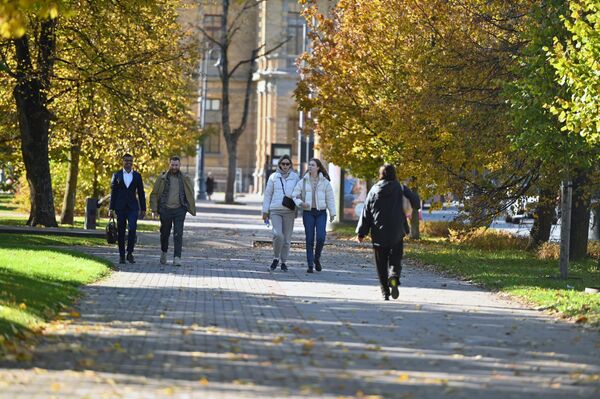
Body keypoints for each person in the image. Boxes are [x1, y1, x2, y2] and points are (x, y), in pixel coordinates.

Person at [356, 164, 420, 300]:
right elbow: (416, 203)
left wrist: (362, 232)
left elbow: (366, 212)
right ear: (394, 174)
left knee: (381, 263)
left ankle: (385, 292)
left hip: (378, 232)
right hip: (397, 231)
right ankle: (394, 275)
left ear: (381, 175)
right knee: (395, 258)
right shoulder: (400, 188)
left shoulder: (374, 190)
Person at [149, 156, 196, 266]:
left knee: (178, 234)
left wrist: (188, 206)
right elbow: (154, 194)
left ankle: (177, 257)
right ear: (169, 165)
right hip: (165, 210)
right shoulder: (162, 178)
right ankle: (164, 252)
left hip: (179, 210)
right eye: (172, 165)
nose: (174, 167)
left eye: (176, 165)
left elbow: (190, 193)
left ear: (179, 166)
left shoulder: (184, 178)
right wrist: (154, 209)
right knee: (164, 233)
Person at [292, 158, 336, 273]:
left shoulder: (325, 182)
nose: (310, 167)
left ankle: (317, 258)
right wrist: (301, 203)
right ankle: (310, 264)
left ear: (318, 167)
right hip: (308, 213)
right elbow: (294, 195)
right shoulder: (304, 181)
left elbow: (330, 198)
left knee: (321, 237)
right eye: (309, 165)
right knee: (309, 239)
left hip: (321, 213)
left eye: (312, 165)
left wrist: (332, 213)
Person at [262, 155, 299, 271]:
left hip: (289, 211)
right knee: (278, 235)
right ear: (279, 164)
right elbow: (268, 195)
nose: (285, 166)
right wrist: (265, 211)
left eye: (287, 164)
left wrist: (299, 206)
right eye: (283, 164)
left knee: (287, 239)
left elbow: (299, 194)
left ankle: (284, 261)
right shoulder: (273, 177)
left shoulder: (295, 177)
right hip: (275, 210)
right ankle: (275, 258)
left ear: (290, 165)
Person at [108, 153, 146, 264]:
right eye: (126, 161)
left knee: (132, 228)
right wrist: (111, 208)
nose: (128, 163)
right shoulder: (117, 175)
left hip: (133, 207)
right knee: (120, 231)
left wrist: (143, 208)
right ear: (122, 162)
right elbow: (113, 193)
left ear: (133, 162)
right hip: (120, 207)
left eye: (130, 161)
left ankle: (130, 252)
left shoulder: (137, 176)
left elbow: (141, 193)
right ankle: (121, 255)